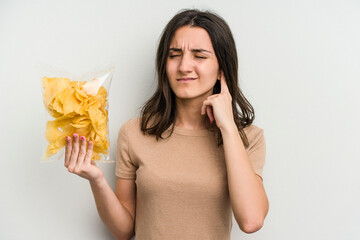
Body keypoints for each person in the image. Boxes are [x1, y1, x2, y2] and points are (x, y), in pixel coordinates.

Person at [64, 8, 269, 240]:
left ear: (222, 68)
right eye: (174, 55)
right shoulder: (134, 132)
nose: (184, 67)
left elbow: (251, 220)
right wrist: (96, 179)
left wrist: (229, 128)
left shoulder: (248, 138)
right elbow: (123, 231)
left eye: (199, 56)